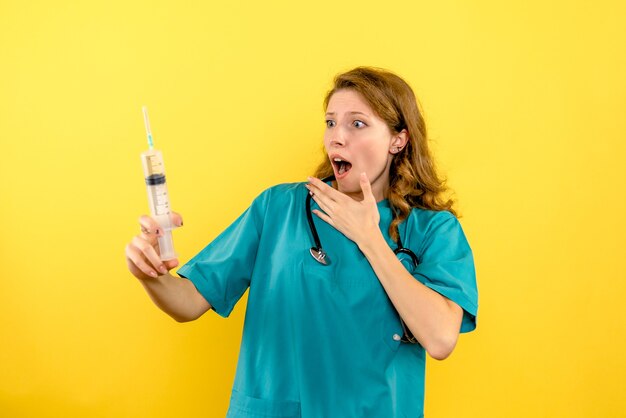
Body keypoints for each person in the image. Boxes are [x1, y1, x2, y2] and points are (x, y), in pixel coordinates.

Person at [125, 66, 478, 418]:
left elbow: (440, 339)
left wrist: (370, 239)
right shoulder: (278, 208)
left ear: (398, 140)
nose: (337, 137)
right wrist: (149, 273)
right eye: (330, 123)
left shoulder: (434, 230)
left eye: (357, 123)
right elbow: (188, 302)